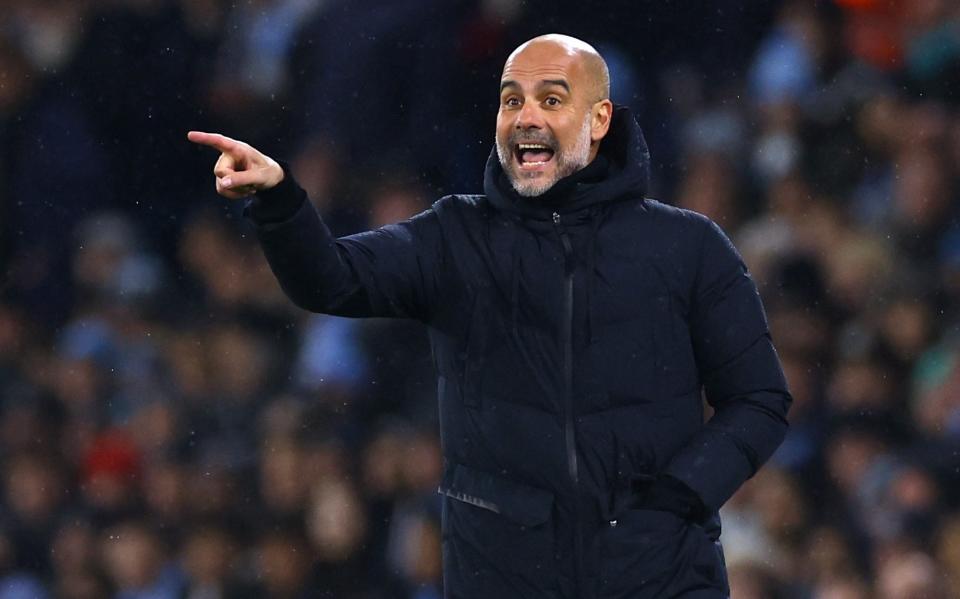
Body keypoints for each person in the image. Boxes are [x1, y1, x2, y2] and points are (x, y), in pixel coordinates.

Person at [189, 33, 791, 599]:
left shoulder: (688, 247)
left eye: (551, 99)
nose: (526, 116)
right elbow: (333, 280)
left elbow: (759, 400)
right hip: (503, 577)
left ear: (599, 119)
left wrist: (674, 500)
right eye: (511, 100)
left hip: (661, 578)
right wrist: (279, 201)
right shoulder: (455, 236)